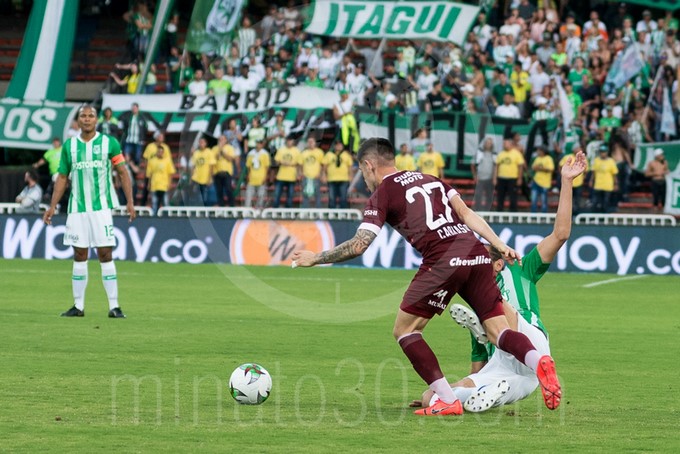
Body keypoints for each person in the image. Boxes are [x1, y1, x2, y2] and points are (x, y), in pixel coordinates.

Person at [292, 138, 562, 416]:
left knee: (405, 330)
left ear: (369, 165)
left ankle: (447, 399)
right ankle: (539, 360)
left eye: (362, 170)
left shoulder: (383, 192)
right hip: (476, 253)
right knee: (499, 331)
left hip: (444, 259)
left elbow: (359, 245)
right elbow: (466, 213)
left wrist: (316, 257)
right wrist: (498, 243)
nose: (364, 178)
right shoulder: (432, 179)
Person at [412, 151, 587, 412]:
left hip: (531, 342)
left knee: (494, 310)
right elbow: (477, 367)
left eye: (479, 258)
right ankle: (480, 393)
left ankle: (486, 342)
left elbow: (560, 234)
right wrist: (458, 388)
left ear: (498, 263)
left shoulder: (522, 268)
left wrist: (567, 182)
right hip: (506, 367)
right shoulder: (473, 291)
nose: (473, 263)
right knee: (432, 395)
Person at [43, 105, 135, 318]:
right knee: (79, 254)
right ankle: (78, 306)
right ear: (78, 121)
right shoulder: (70, 146)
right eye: (83, 116)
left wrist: (130, 202)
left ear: (96, 120)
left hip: (101, 208)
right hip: (77, 208)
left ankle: (114, 306)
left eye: (90, 116)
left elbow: (123, 172)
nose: (86, 119)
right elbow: (62, 177)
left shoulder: (109, 143)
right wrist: (52, 206)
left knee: (105, 253)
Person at [495, 139, 525, 211]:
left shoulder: (517, 154)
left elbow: (520, 167)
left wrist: (520, 178)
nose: (504, 145)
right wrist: (495, 178)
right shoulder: (501, 154)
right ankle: (499, 211)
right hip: (501, 178)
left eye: (506, 143)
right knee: (500, 195)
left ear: (511, 144)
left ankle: (513, 212)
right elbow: (497, 166)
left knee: (513, 196)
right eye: (504, 144)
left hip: (512, 178)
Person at [146, 145, 176, 216]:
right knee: (154, 203)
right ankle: (154, 218)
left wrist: (170, 183)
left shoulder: (167, 161)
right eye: (158, 151)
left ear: (163, 152)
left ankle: (167, 217)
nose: (160, 153)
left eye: (161, 152)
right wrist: (149, 184)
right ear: (156, 152)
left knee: (165, 203)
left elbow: (170, 174)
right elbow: (150, 174)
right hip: (154, 185)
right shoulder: (152, 161)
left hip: (164, 185)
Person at [272, 136, 301, 208]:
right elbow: (276, 162)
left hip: (292, 176)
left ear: (293, 141)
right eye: (288, 140)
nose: (289, 142)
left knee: (290, 195)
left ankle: (288, 210)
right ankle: (275, 209)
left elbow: (299, 164)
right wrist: (282, 162)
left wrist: (298, 174)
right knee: (277, 194)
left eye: (290, 140)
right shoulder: (281, 150)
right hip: (281, 176)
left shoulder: (297, 151)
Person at [323, 141, 353, 209]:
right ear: (334, 146)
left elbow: (350, 167)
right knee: (332, 198)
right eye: (337, 145)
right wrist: (324, 175)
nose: (338, 147)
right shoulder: (329, 155)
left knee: (343, 198)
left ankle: (343, 213)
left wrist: (351, 176)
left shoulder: (346, 155)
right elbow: (324, 167)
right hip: (331, 179)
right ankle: (332, 213)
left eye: (340, 145)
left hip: (344, 179)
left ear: (342, 146)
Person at [471, 137, 497, 211]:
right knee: (478, 195)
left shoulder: (494, 154)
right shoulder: (479, 153)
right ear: (484, 144)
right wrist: (475, 175)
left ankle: (488, 211)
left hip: (490, 179)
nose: (488, 144)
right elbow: (472, 164)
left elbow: (496, 166)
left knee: (489, 196)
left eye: (490, 143)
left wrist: (494, 178)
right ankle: (478, 211)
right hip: (480, 178)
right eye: (487, 143)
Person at [33, 137, 62, 202]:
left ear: (59, 142)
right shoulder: (50, 152)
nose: (56, 143)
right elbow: (43, 160)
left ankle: (49, 194)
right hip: (54, 173)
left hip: (63, 172)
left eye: (57, 142)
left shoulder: (63, 150)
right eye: (54, 142)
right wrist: (37, 165)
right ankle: (50, 196)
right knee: (54, 182)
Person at [212, 134, 238, 207]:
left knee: (228, 190)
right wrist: (219, 149)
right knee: (219, 191)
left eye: (223, 139)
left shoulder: (230, 148)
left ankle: (231, 206)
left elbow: (230, 159)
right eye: (220, 139)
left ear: (226, 140)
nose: (221, 141)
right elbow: (214, 159)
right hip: (217, 172)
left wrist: (222, 151)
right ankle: (221, 206)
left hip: (227, 173)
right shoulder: (214, 148)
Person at [591, 145, 619, 213]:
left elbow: (614, 174)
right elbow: (594, 172)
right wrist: (591, 180)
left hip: (608, 185)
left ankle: (605, 215)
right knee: (597, 202)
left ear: (607, 152)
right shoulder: (596, 160)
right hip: (598, 184)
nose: (603, 153)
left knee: (606, 202)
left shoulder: (611, 161)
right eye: (601, 152)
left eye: (604, 152)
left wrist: (616, 184)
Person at [244, 139, 271, 208]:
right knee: (248, 196)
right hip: (252, 178)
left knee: (261, 196)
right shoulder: (251, 154)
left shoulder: (265, 154)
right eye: (257, 143)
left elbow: (267, 167)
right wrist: (248, 175)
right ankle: (247, 210)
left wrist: (265, 177)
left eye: (259, 143)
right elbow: (248, 166)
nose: (258, 145)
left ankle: (259, 210)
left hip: (261, 178)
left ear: (262, 145)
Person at [300, 137, 325, 209]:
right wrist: (301, 173)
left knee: (317, 195)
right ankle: (305, 211)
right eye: (309, 142)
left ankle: (318, 211)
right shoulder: (304, 153)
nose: (310, 143)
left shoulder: (320, 152)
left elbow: (323, 165)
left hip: (316, 176)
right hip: (306, 176)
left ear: (315, 143)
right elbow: (300, 164)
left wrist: (321, 174)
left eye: (312, 142)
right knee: (305, 194)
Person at [190, 137, 216, 206]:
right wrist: (191, 177)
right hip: (196, 178)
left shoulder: (209, 152)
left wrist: (210, 178)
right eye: (200, 142)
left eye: (202, 142)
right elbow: (193, 166)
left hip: (205, 178)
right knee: (196, 196)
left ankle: (205, 209)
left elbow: (211, 166)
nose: (201, 144)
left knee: (205, 197)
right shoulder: (196, 153)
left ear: (206, 143)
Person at [530, 146, 554, 213]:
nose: (537, 152)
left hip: (544, 182)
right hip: (536, 181)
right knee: (533, 199)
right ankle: (533, 215)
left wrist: (540, 168)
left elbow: (551, 169)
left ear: (543, 151)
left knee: (544, 200)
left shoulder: (548, 158)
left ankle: (544, 215)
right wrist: (542, 168)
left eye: (539, 150)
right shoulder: (537, 158)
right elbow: (533, 167)